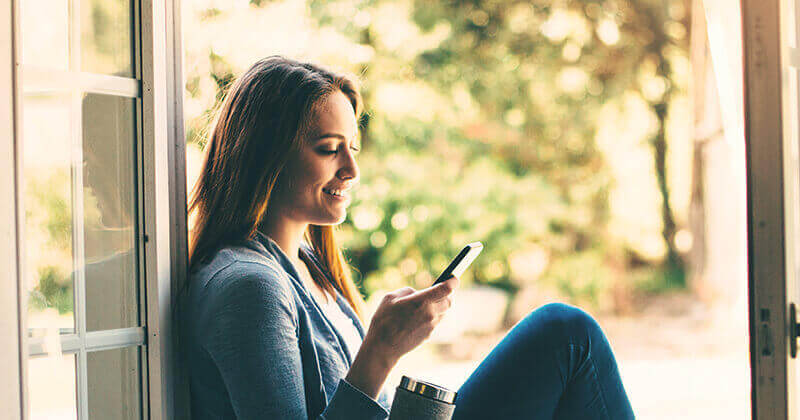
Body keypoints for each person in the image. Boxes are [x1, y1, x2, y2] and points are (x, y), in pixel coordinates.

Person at [184, 56, 635, 420]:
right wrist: (379, 351)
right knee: (568, 336)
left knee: (567, 337)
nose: (352, 169)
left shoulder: (303, 262)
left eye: (352, 148)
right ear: (265, 156)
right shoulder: (249, 288)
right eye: (328, 149)